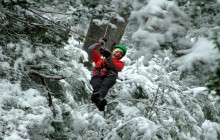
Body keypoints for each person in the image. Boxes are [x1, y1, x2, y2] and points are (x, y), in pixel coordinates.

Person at [87, 37, 127, 111]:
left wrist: (108, 58)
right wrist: (99, 44)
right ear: (113, 51)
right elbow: (90, 50)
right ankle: (98, 101)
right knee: (96, 85)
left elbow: (114, 67)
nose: (118, 54)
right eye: (117, 51)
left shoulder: (120, 63)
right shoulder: (100, 59)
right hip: (97, 75)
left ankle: (100, 98)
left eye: (121, 54)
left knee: (105, 85)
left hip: (110, 77)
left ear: (121, 57)